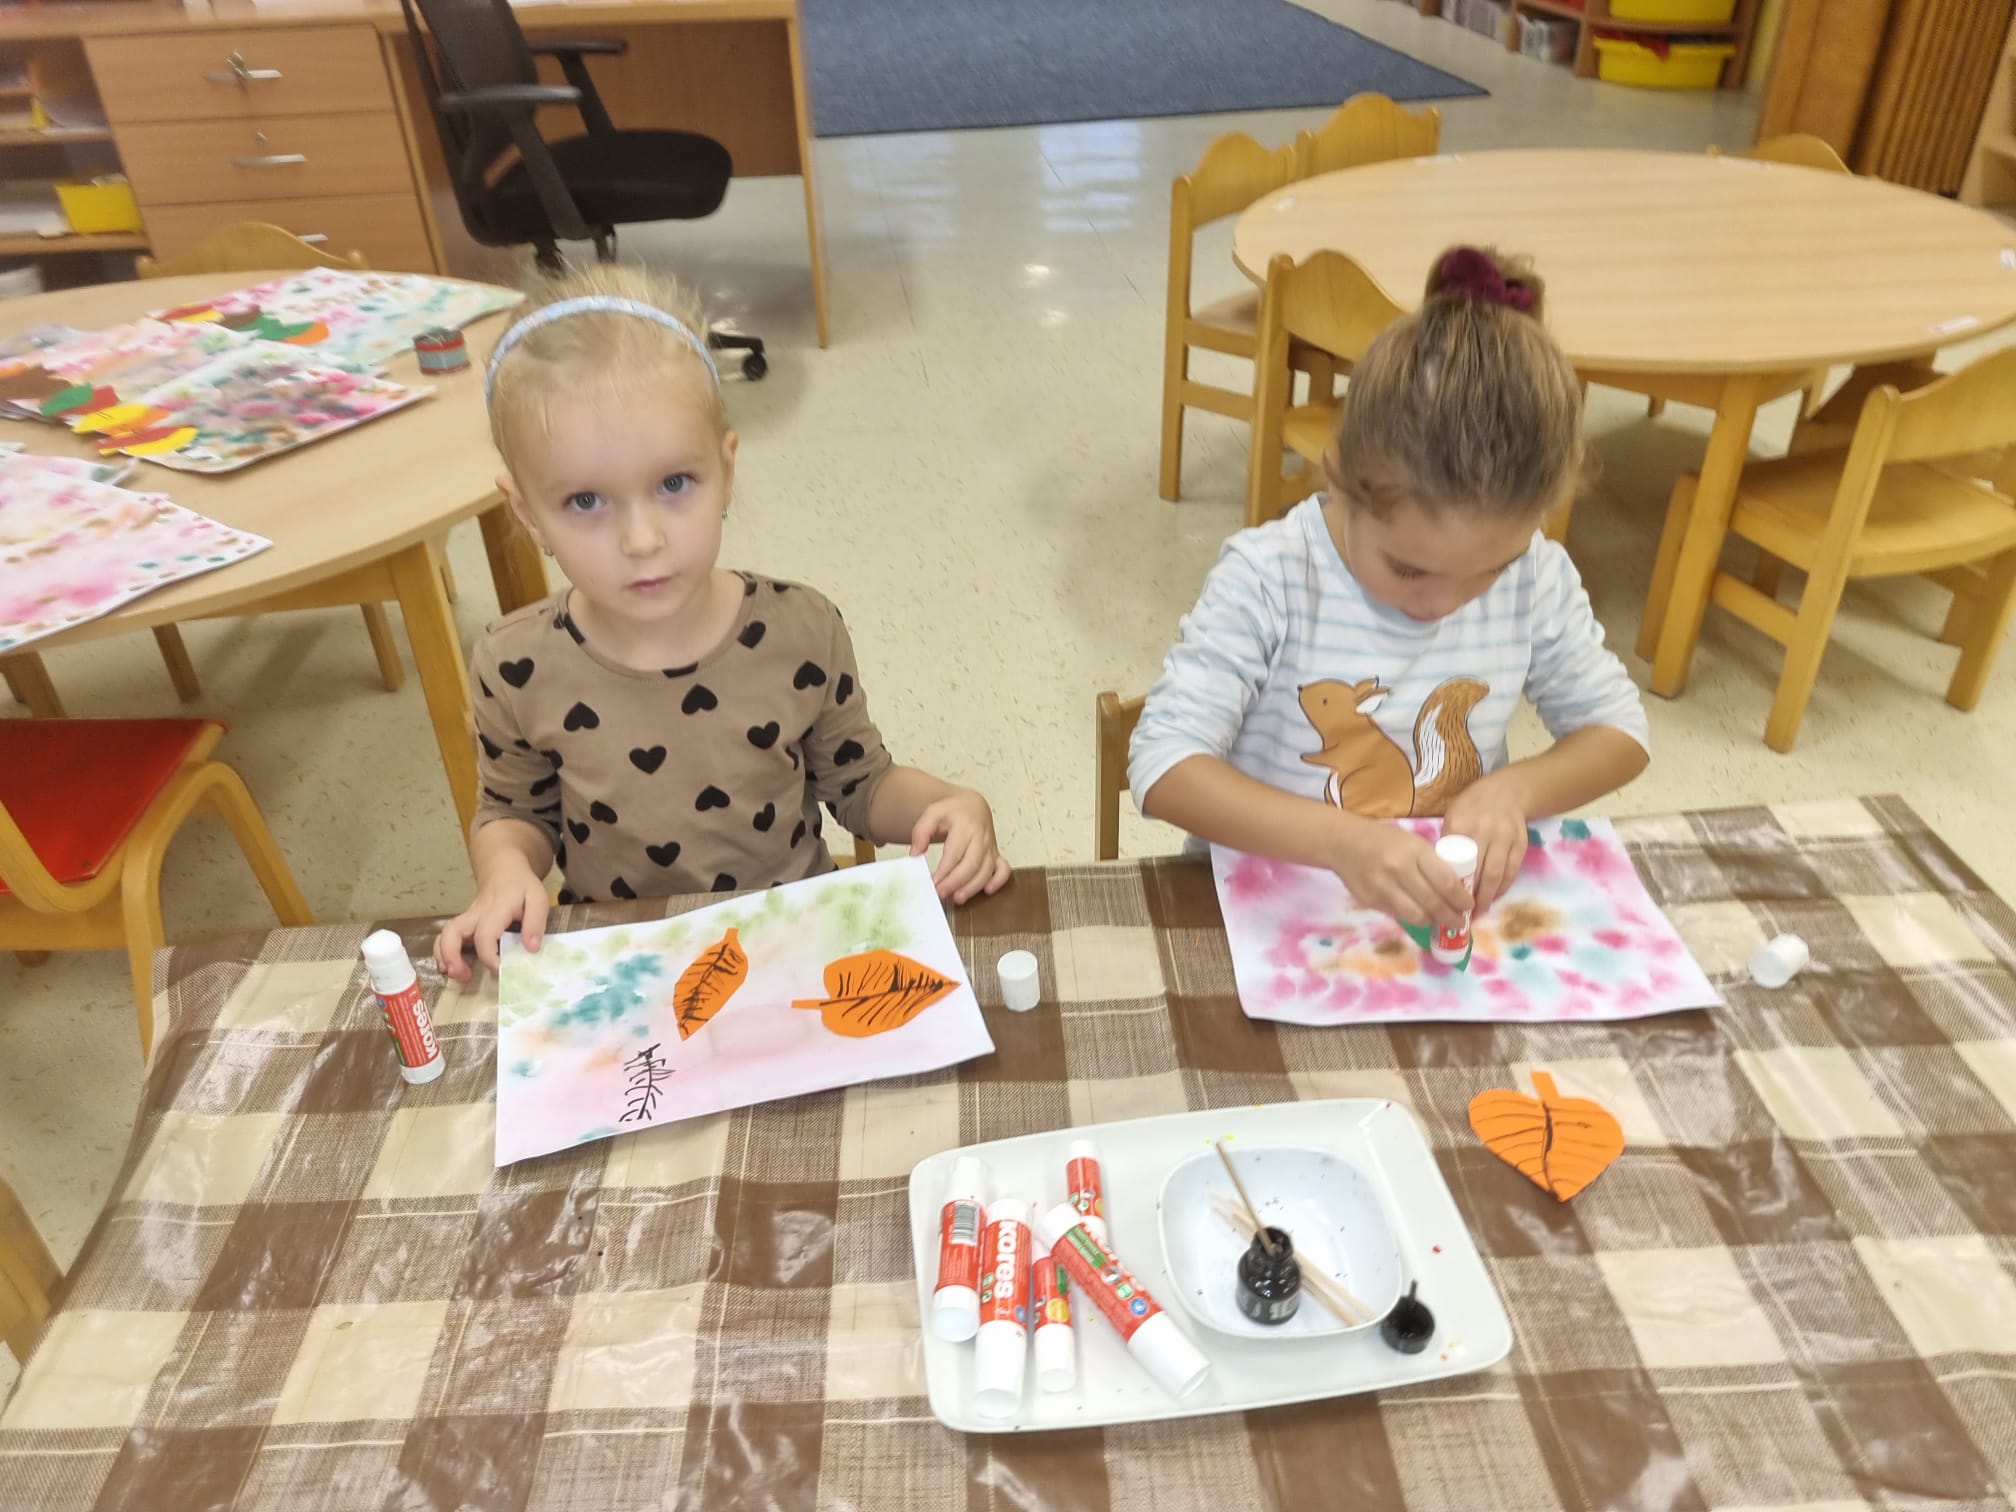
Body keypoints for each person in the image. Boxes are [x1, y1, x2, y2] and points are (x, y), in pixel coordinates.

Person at [435, 265, 1010, 979]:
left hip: (794, 945)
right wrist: (504, 872)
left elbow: (862, 785)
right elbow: (515, 812)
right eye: (585, 501)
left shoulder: (802, 628)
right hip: (626, 964)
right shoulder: (512, 663)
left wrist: (952, 803)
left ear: (726, 471)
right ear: (527, 514)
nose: (642, 540)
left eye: (674, 484)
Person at [1130, 245, 1649, 930]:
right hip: (1269, 911)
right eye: (1408, 568)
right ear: (1337, 474)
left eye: (1490, 571)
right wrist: (1339, 841)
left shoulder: (1535, 576)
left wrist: (1515, 791)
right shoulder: (1272, 577)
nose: (1441, 604)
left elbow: (1619, 732)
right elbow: (1163, 764)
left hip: (1428, 919)